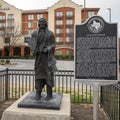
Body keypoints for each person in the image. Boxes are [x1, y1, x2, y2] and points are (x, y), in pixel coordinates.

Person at [28, 18, 57, 100]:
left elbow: (53, 45)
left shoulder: (50, 34)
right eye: (40, 22)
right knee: (38, 76)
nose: (42, 24)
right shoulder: (34, 34)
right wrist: (34, 50)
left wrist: (47, 49)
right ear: (38, 24)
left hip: (47, 58)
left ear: (46, 24)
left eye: (43, 22)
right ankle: (38, 94)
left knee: (48, 76)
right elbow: (32, 44)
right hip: (38, 58)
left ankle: (49, 94)